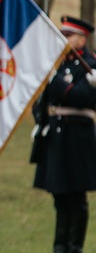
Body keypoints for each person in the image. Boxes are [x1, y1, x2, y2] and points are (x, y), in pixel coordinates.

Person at [32, 16, 96, 253]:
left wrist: (53, 80)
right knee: (59, 195)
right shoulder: (56, 64)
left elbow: (79, 98)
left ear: (82, 38)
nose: (63, 39)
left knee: (76, 197)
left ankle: (74, 245)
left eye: (68, 35)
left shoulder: (91, 65)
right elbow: (39, 99)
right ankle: (59, 246)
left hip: (78, 140)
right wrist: (40, 119)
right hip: (56, 139)